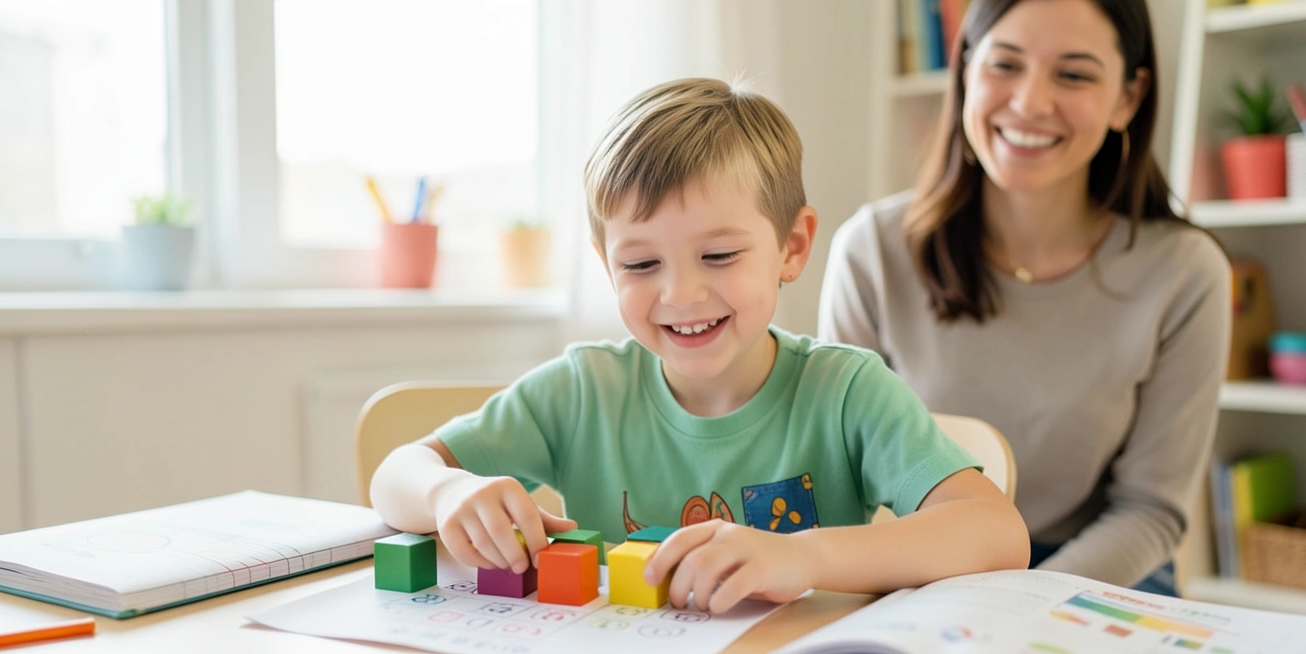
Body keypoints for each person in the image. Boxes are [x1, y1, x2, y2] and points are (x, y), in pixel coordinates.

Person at [371, 77, 1029, 614]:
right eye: (640, 265)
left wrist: (807, 556)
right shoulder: (581, 393)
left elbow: (997, 533)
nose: (680, 295)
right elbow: (396, 473)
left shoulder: (846, 392)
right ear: (606, 266)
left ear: (792, 247)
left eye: (718, 255)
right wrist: (446, 493)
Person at [818, 0, 1229, 596]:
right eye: (1005, 65)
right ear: (965, 72)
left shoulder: (1187, 274)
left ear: (1128, 98)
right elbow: (841, 472)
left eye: (1074, 74)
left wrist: (1022, 604)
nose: (1031, 102)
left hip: (1097, 572)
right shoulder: (871, 252)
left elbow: (1150, 509)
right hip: (917, 562)